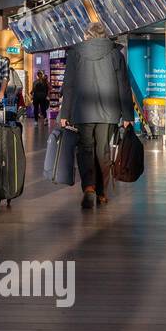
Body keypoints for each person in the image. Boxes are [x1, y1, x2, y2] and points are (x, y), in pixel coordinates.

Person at [59, 21, 135, 209]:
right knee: (103, 151)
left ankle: (89, 187)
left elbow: (68, 85)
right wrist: (128, 116)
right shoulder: (115, 54)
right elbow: (123, 86)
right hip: (109, 111)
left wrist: (64, 112)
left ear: (87, 36)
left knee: (85, 149)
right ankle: (101, 193)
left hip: (82, 111)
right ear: (104, 36)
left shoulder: (75, 53)